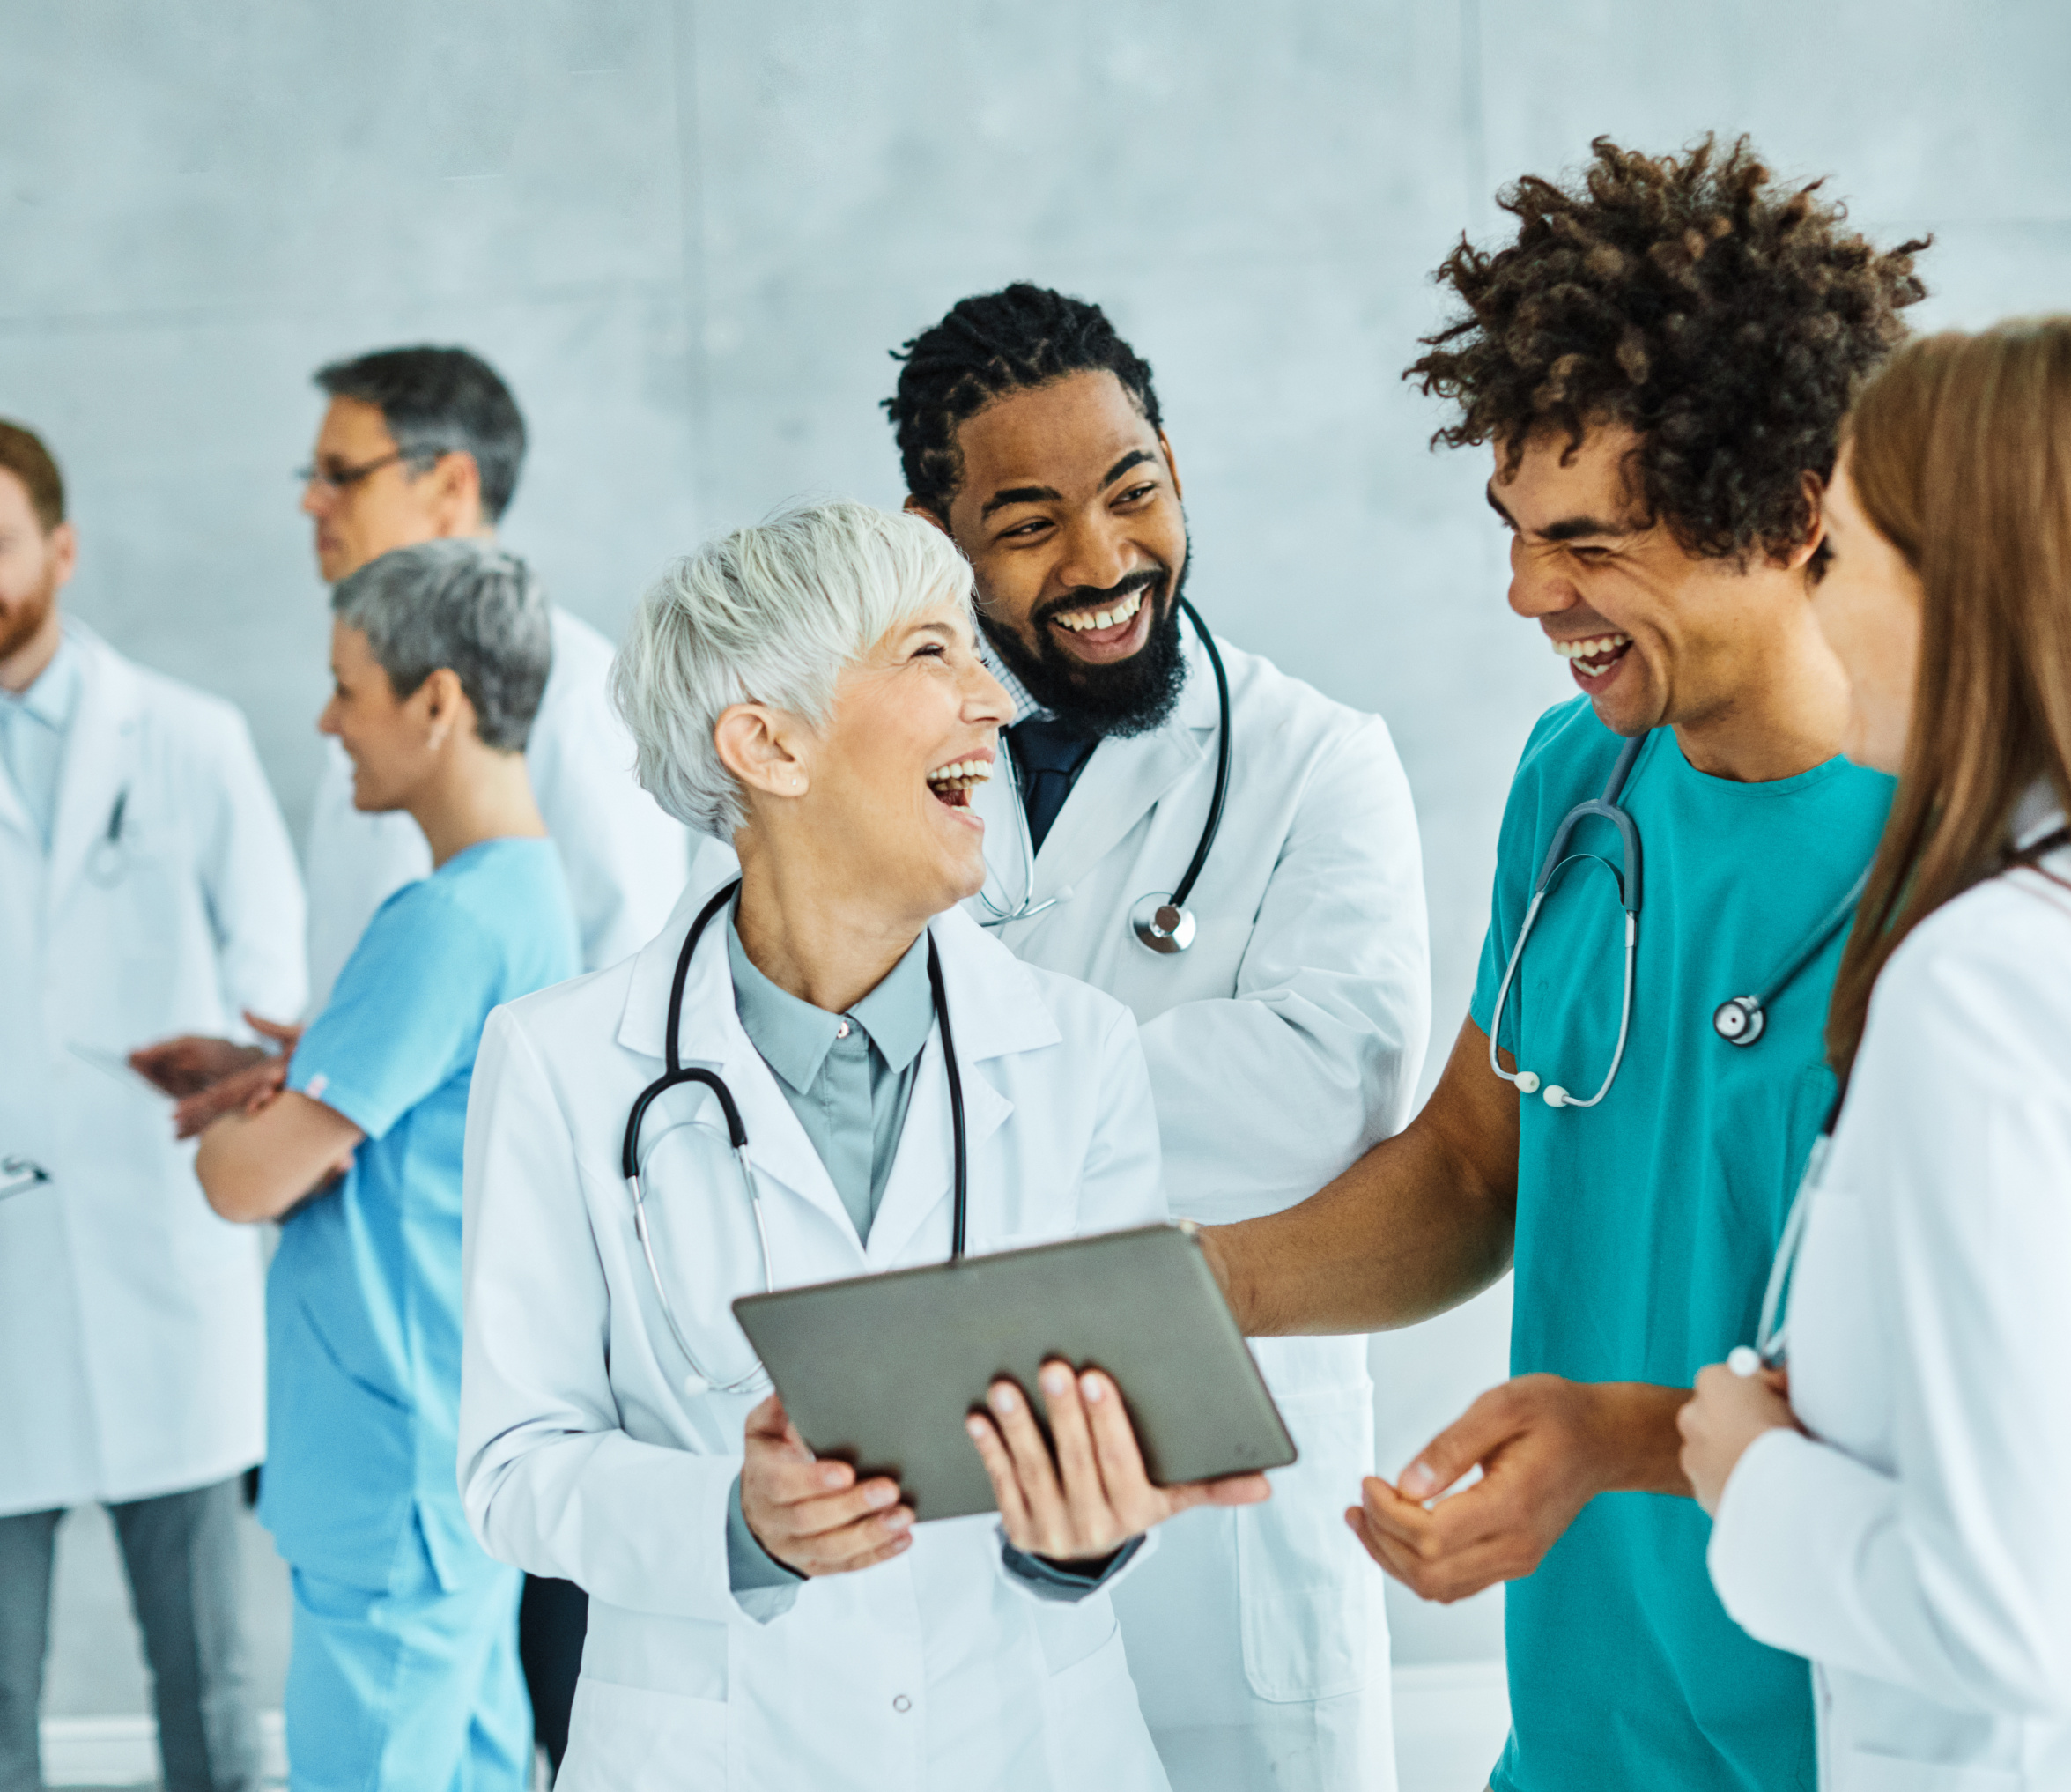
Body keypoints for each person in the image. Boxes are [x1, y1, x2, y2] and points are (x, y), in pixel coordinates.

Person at [1200, 137, 1928, 1792]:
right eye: (1519, 530)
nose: (1530, 591)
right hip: (1584, 1731)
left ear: (1791, 515)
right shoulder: (1577, 781)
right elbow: (1477, 1162)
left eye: (1589, 542)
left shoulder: (1958, 856)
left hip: (1850, 1730)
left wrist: (1613, 1441)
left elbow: (1978, 1393)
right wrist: (1199, 1290)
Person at [455, 500, 1269, 1792]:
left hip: (1030, 1744)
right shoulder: (559, 1063)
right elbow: (513, 1468)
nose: (995, 702)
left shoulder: (1077, 1048)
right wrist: (735, 1518)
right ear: (767, 742)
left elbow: (1110, 1428)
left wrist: (1087, 1530)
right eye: (931, 653)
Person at [1675, 319, 2071, 1789]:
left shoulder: (1991, 986)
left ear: (1967, 598)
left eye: (1842, 557)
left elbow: (2012, 1616)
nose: (1815, 608)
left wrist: (1753, 1475)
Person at [884, 283, 1430, 1789]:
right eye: (1030, 521)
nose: (1103, 561)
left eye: (1134, 493)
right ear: (938, 538)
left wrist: (951, 1078)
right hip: (957, 1481)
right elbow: (779, 1051)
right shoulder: (870, 759)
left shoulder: (1322, 764)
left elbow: (1333, 1091)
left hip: (1232, 1519)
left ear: (1176, 469)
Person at [194, 540, 577, 1792]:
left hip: (389, 1475)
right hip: (447, 1455)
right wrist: (311, 1081)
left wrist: (240, 1125)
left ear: (437, 701)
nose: (327, 721)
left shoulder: (444, 921)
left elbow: (245, 1180)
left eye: (347, 688)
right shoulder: (529, 896)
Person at [0, 421, 303, 1792]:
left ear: (60, 548)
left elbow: (274, 999)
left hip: (157, 1255)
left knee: (210, 1683)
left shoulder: (184, 738)